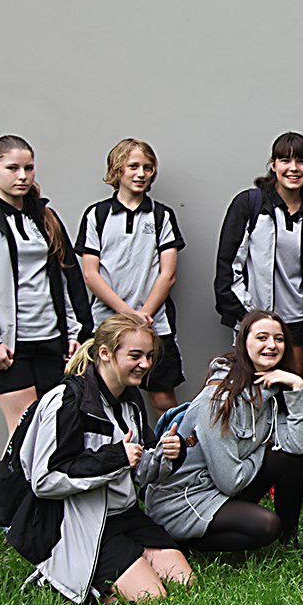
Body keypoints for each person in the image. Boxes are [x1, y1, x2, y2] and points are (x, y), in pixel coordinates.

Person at [19, 313, 193, 605]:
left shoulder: (131, 397)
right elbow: (44, 480)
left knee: (185, 582)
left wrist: (169, 452)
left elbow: (141, 471)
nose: (145, 364)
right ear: (105, 353)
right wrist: (115, 458)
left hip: (125, 514)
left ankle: (125, 565)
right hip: (80, 523)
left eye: (149, 356)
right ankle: (58, 579)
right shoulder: (65, 401)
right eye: (135, 355)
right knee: (152, 599)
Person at [0, 134, 93, 438]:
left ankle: (42, 487)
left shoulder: (45, 217)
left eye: (29, 168)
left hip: (52, 340)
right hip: (8, 347)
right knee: (24, 431)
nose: (22, 176)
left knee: (54, 429)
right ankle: (5, 488)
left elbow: (68, 280)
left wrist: (74, 332)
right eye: (12, 168)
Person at [143, 310, 303, 551]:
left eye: (279, 338)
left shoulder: (275, 389)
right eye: (262, 337)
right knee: (266, 526)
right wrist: (263, 451)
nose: (271, 345)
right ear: (243, 343)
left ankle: (289, 542)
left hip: (219, 490)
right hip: (186, 499)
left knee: (290, 460)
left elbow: (298, 446)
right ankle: (181, 543)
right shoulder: (218, 399)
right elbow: (230, 482)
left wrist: (297, 387)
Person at [76, 138, 187, 421]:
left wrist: (143, 315)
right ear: (117, 171)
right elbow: (90, 274)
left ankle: (171, 460)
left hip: (154, 324)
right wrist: (127, 314)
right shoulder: (96, 215)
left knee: (163, 399)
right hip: (105, 323)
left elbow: (168, 273)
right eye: (133, 166)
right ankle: (109, 459)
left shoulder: (162, 216)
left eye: (147, 167)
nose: (141, 173)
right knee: (99, 396)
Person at [214, 132, 303, 373]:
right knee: (251, 395)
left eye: (301, 161)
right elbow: (228, 267)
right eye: (285, 161)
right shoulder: (249, 204)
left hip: (298, 323)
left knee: (290, 393)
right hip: (255, 321)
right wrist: (248, 318)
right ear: (273, 164)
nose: (293, 168)